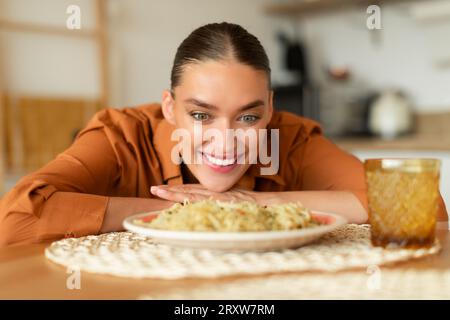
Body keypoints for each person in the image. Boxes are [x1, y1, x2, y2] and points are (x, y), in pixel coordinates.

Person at [0, 22, 446, 246]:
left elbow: (424, 207)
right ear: (170, 108)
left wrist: (253, 206)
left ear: (270, 110)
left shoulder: (290, 138)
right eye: (201, 115)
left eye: (248, 118)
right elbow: (17, 218)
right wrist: (182, 214)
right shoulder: (121, 135)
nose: (226, 139)